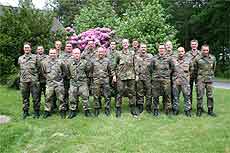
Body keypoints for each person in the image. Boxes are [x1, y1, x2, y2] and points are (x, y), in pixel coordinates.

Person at [113, 39, 137, 117]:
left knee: (132, 93)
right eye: (123, 43)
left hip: (131, 76)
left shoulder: (132, 53)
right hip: (121, 77)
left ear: (129, 44)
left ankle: (133, 109)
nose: (125, 44)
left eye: (126, 43)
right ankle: (118, 109)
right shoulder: (118, 54)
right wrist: (114, 75)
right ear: (122, 44)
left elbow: (135, 65)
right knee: (119, 93)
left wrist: (137, 75)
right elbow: (114, 66)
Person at [149, 43, 175, 116]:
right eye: (160, 48)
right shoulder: (154, 58)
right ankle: (155, 109)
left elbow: (172, 68)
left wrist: (167, 74)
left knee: (167, 95)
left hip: (166, 80)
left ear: (165, 49)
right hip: (156, 80)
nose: (161, 50)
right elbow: (151, 68)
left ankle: (168, 110)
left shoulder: (169, 58)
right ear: (158, 49)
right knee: (155, 95)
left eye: (163, 48)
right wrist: (155, 75)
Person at [42, 48, 68, 119]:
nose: (52, 55)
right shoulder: (44, 63)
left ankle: (62, 111)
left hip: (59, 83)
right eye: (51, 53)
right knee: (48, 98)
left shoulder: (61, 62)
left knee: (61, 98)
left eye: (54, 53)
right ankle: (47, 111)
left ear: (56, 54)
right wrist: (48, 78)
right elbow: (43, 72)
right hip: (49, 84)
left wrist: (60, 78)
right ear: (49, 54)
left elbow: (65, 71)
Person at [67, 48, 92, 118]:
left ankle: (87, 111)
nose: (76, 55)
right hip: (73, 83)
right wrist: (72, 78)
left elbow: (87, 71)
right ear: (72, 54)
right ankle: (72, 111)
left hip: (82, 82)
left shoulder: (85, 62)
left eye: (78, 53)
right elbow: (67, 72)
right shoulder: (69, 63)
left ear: (80, 54)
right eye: (75, 53)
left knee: (85, 97)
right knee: (72, 98)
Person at [18, 42, 40, 119]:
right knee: (25, 98)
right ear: (23, 49)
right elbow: (20, 69)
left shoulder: (35, 57)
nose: (26, 49)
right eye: (25, 47)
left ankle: (36, 112)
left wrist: (36, 78)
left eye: (28, 47)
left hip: (33, 81)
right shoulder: (20, 58)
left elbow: (39, 68)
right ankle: (25, 112)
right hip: (24, 81)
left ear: (30, 48)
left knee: (35, 98)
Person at [194, 44, 216, 117]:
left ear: (208, 50)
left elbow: (214, 68)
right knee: (200, 96)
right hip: (200, 80)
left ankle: (210, 110)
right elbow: (195, 69)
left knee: (210, 96)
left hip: (209, 80)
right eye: (204, 50)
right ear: (201, 50)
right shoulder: (197, 58)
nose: (205, 51)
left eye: (207, 50)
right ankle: (199, 110)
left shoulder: (213, 58)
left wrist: (210, 76)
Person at [90, 47, 114, 116]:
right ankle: (97, 109)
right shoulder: (93, 61)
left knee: (107, 96)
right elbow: (91, 71)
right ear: (97, 52)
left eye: (102, 52)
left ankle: (107, 108)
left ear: (104, 53)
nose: (100, 53)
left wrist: (113, 76)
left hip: (105, 81)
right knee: (96, 96)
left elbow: (110, 70)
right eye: (99, 52)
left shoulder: (107, 61)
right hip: (96, 81)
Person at [172, 47, 192, 116]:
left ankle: (187, 110)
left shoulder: (188, 60)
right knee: (175, 97)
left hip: (185, 82)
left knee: (187, 96)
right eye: (179, 51)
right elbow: (171, 70)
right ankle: (175, 110)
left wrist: (187, 77)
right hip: (176, 82)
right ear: (177, 52)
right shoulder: (173, 60)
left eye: (182, 51)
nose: (180, 53)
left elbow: (191, 70)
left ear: (184, 52)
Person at [134, 43, 153, 113]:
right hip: (139, 77)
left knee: (149, 93)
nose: (143, 49)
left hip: (148, 77)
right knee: (140, 92)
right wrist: (136, 75)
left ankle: (148, 107)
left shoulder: (150, 56)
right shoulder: (136, 57)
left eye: (145, 47)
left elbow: (153, 67)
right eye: (142, 47)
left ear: (146, 48)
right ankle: (140, 106)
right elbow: (135, 67)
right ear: (139, 48)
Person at [186, 39, 201, 109]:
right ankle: (189, 106)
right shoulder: (187, 54)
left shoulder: (201, 54)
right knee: (189, 91)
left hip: (199, 75)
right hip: (190, 75)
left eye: (195, 44)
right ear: (191, 45)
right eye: (192, 44)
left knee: (199, 91)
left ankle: (199, 107)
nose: (194, 45)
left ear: (197, 45)